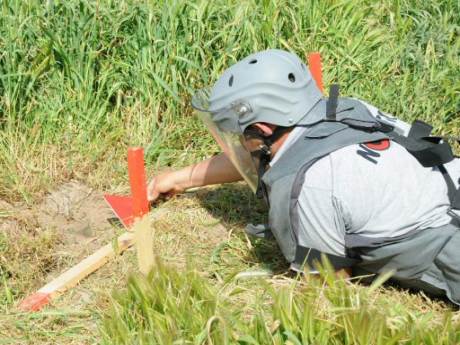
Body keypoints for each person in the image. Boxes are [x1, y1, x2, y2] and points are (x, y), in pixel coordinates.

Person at [148, 49, 460, 306]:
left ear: (264, 130)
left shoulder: (310, 185)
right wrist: (179, 178)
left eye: (242, 135)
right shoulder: (346, 110)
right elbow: (260, 154)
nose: (240, 144)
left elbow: (330, 289)